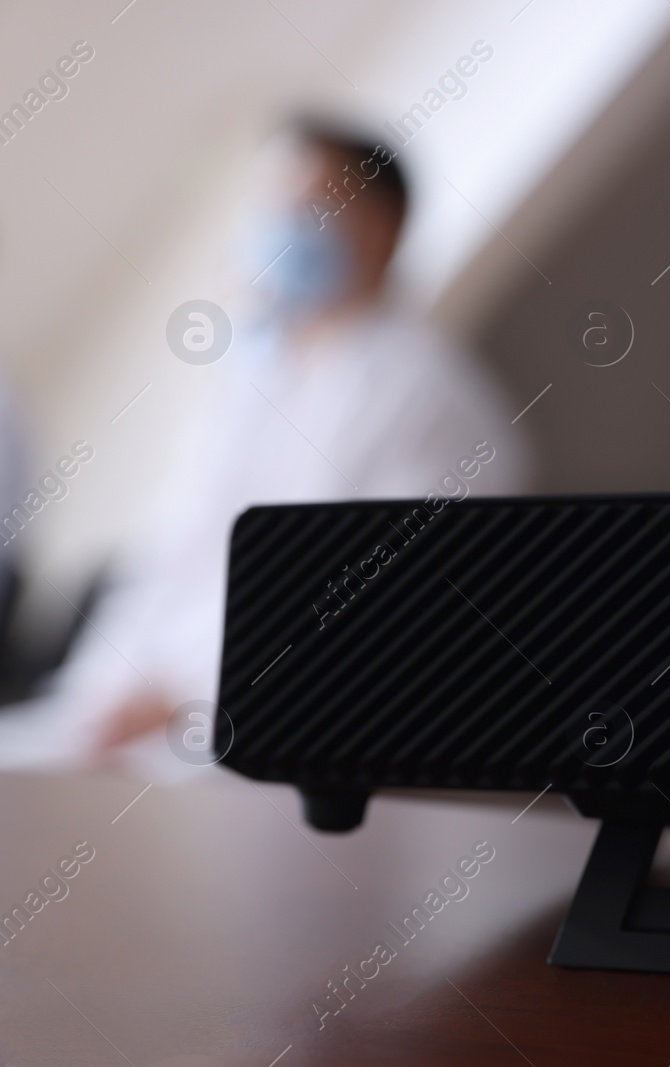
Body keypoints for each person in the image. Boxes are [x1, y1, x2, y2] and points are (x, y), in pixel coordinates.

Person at [0, 119, 530, 769]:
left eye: (306, 207)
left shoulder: (431, 398)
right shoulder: (256, 375)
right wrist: (104, 688)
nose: (279, 227)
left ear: (381, 226)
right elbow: (175, 546)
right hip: (144, 711)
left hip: (286, 727)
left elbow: (389, 603)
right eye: (272, 206)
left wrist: (187, 697)